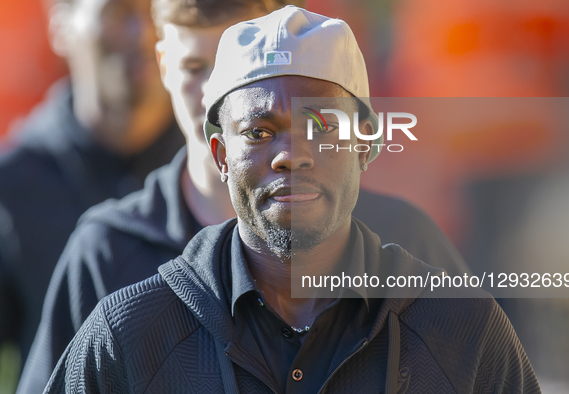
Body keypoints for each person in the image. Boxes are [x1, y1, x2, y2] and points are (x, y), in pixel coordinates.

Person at [43, 7, 539, 393]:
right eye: (259, 131)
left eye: (321, 126)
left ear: (364, 143)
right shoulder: (130, 337)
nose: (291, 155)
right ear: (220, 154)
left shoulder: (461, 332)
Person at [0, 0, 184, 369]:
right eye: (119, 12)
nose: (145, 32)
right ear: (61, 25)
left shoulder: (223, 167)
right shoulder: (15, 186)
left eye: (157, 10)